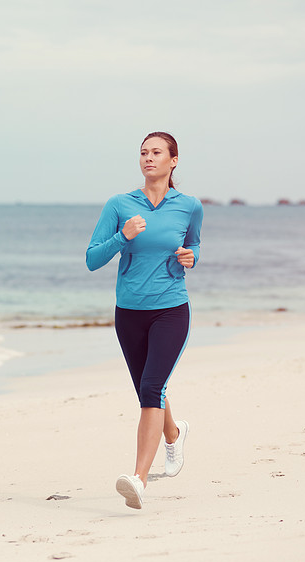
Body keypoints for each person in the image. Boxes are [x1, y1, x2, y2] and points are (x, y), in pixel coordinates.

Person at [86, 131, 203, 509]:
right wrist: (123, 236)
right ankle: (174, 432)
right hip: (129, 313)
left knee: (152, 389)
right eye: (143, 153)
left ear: (174, 160)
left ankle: (138, 479)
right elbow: (91, 258)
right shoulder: (120, 205)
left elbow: (195, 243)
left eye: (156, 152)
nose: (148, 158)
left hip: (171, 309)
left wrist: (191, 258)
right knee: (148, 389)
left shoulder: (189, 206)